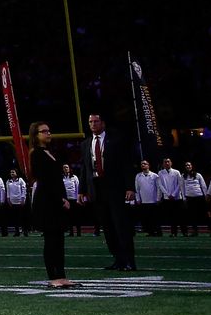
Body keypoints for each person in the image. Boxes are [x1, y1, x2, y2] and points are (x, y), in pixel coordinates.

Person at [82, 112, 139, 270]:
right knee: (107, 227)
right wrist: (82, 190)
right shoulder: (86, 144)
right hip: (96, 187)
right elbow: (84, 168)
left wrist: (129, 187)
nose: (93, 124)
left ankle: (129, 260)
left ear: (103, 123)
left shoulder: (116, 142)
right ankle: (118, 259)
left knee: (121, 225)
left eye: (96, 121)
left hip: (114, 187)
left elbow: (126, 165)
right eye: (90, 121)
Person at [26, 122, 74, 289]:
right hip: (47, 201)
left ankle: (62, 275)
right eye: (44, 131)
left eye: (49, 130)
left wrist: (64, 197)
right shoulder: (36, 154)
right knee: (51, 240)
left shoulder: (50, 152)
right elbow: (45, 180)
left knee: (59, 240)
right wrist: (59, 199)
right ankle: (53, 277)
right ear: (36, 135)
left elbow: (57, 179)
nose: (48, 133)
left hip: (57, 199)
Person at [180, 163, 208, 236]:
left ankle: (210, 231)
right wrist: (184, 198)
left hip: (199, 197)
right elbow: (182, 187)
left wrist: (206, 195)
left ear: (192, 166)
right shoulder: (183, 176)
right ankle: (194, 231)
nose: (188, 166)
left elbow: (203, 185)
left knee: (202, 214)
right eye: (186, 165)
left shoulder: (198, 175)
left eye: (189, 165)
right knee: (192, 215)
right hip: (189, 198)